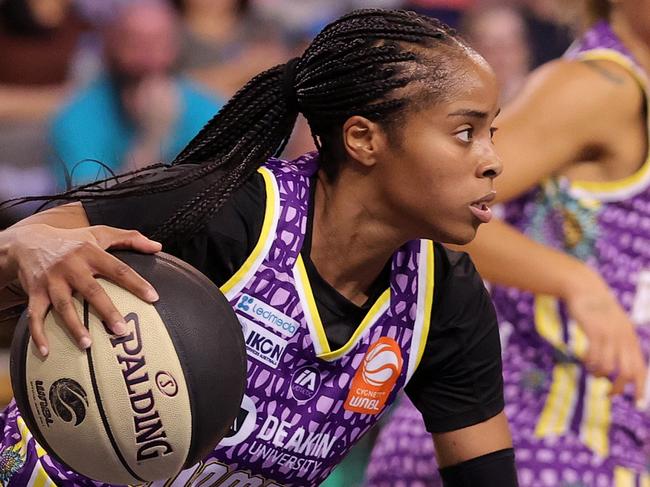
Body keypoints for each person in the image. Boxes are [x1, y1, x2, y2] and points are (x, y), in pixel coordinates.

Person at [0, 8, 518, 487]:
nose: (493, 160)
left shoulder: (444, 295)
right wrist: (31, 245)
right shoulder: (230, 211)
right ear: (363, 139)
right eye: (466, 132)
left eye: (491, 132)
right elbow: (31, 240)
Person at [365, 0, 650, 485]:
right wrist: (576, 282)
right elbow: (442, 206)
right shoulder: (600, 86)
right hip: (534, 438)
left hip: (600, 438)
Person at [48, 0, 221, 189]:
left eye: (159, 42)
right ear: (111, 46)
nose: (149, 57)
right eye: (135, 43)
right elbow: (81, 205)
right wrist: (152, 140)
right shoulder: (77, 116)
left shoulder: (209, 112)